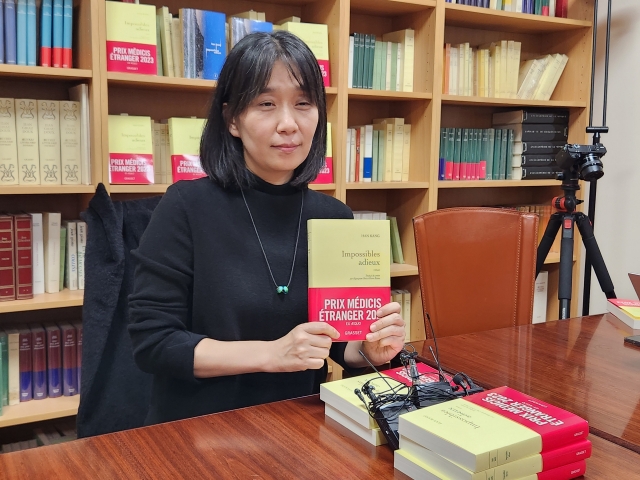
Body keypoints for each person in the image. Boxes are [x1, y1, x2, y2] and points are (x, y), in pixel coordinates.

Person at [128, 31, 406, 426]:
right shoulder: (186, 207)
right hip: (201, 428)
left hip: (303, 425)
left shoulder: (335, 218)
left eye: (303, 103)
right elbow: (153, 343)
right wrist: (272, 354)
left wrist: (369, 350)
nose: (288, 124)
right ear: (232, 120)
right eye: (266, 104)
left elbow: (338, 343)